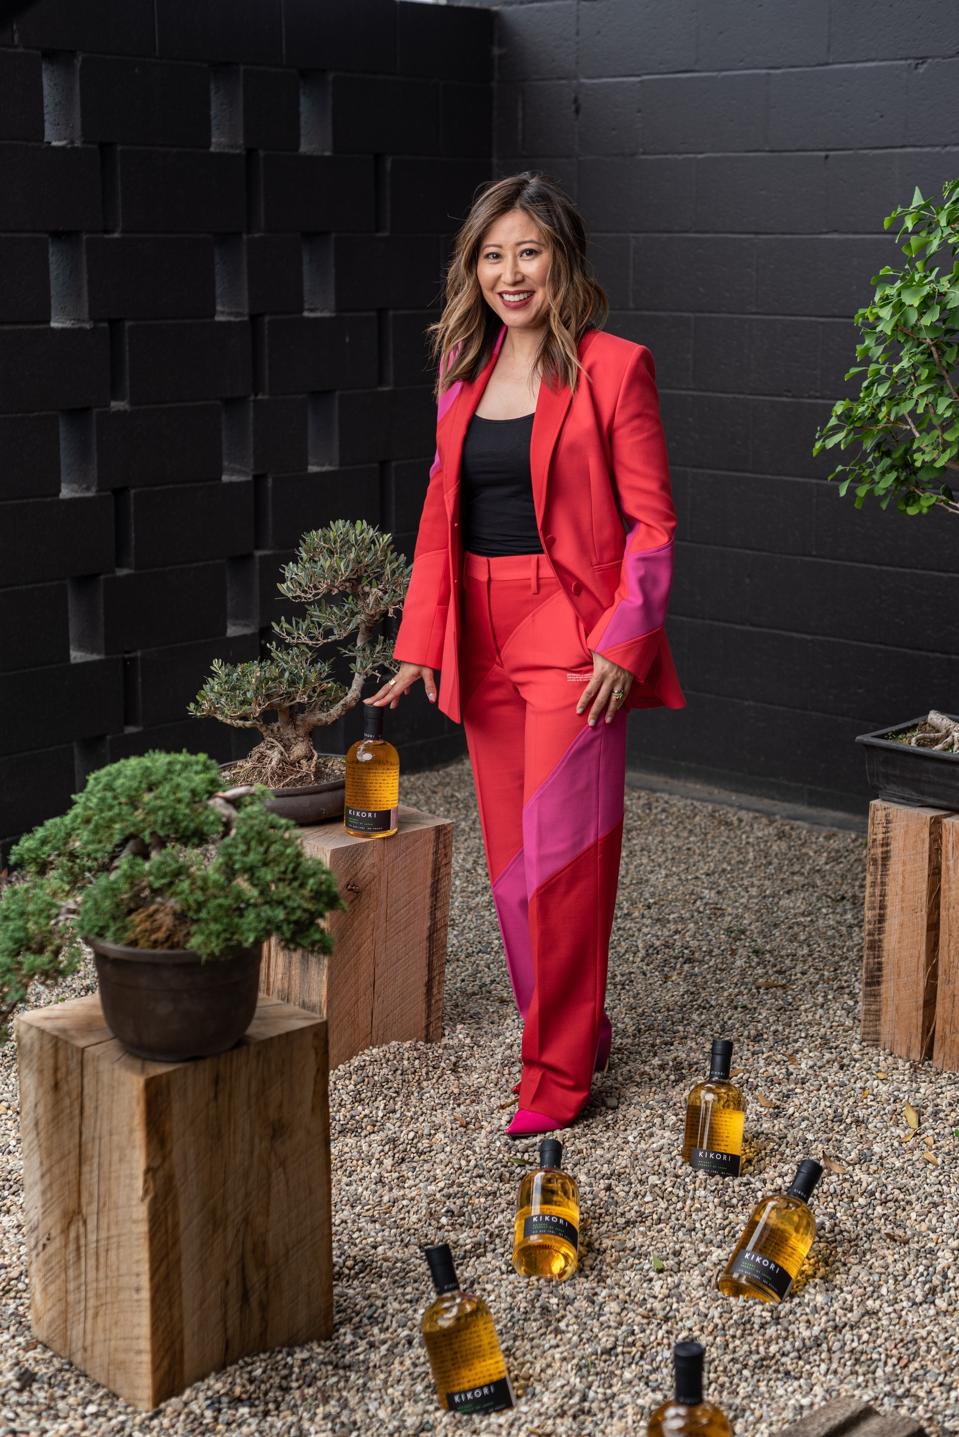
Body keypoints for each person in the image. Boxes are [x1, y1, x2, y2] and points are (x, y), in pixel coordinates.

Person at [365, 171, 685, 1138]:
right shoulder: (461, 371)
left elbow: (653, 527)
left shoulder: (614, 368)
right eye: (491, 254)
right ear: (475, 268)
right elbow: (437, 511)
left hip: (572, 636)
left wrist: (625, 640)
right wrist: (422, 641)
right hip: (478, 625)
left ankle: (555, 1076)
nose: (509, 272)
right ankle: (576, 1030)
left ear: (562, 260)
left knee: (562, 858)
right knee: (511, 865)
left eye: (527, 252)